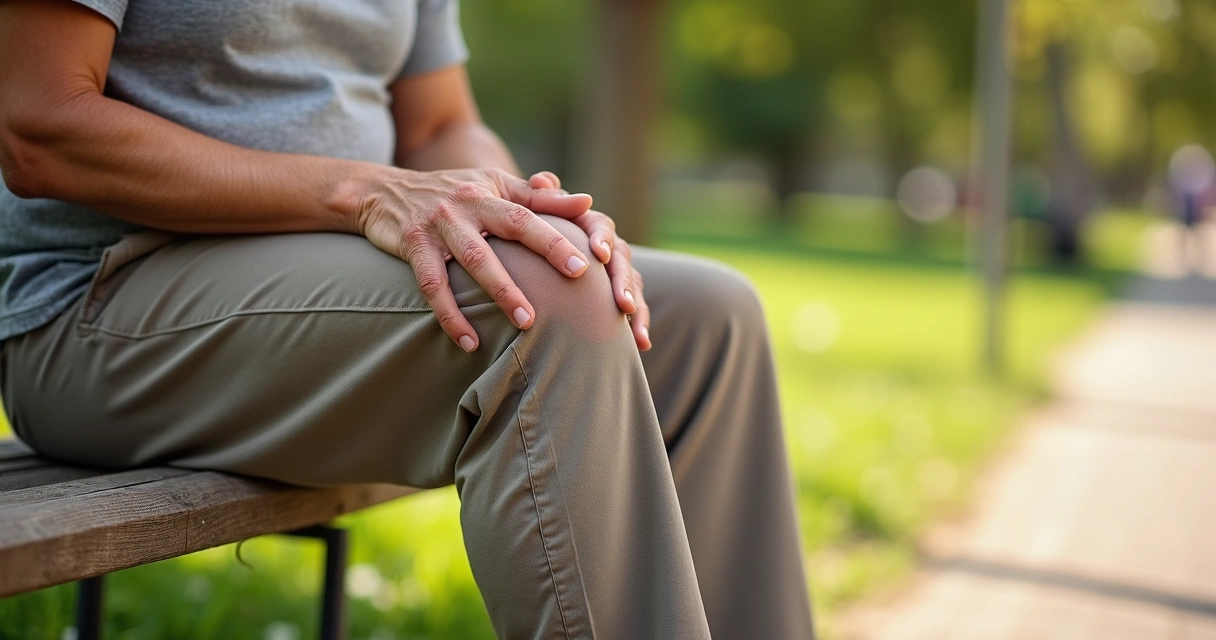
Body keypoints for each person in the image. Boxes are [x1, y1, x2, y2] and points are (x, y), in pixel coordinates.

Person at [0, 1, 814, 637]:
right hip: (101, 303)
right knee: (542, 306)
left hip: (336, 272)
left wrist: (516, 211)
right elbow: (38, 125)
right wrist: (358, 190)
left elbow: (437, 123)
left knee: (710, 317)